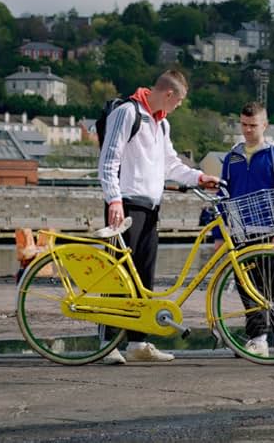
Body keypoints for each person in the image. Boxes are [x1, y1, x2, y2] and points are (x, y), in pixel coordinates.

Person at [97, 69, 220, 364]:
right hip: (125, 205)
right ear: (168, 95)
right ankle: (107, 343)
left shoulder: (161, 125)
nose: (176, 108)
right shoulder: (127, 113)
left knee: (143, 278)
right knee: (118, 278)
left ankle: (137, 343)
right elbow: (108, 159)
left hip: (151, 208)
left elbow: (170, 165)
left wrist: (199, 177)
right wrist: (113, 200)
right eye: (177, 102)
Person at [212, 101, 274, 358]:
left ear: (265, 125)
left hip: (268, 231)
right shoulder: (232, 158)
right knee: (247, 288)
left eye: (253, 125)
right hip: (240, 233)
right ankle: (258, 341)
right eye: (244, 125)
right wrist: (218, 235)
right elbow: (222, 196)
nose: (248, 130)